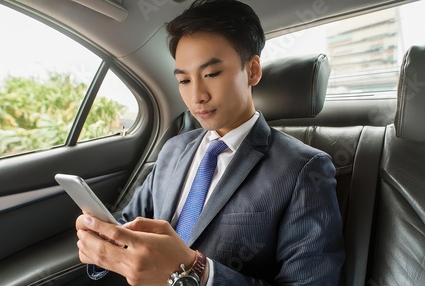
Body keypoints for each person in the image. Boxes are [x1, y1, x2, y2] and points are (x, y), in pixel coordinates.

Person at [75, 0, 345, 285]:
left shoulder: (303, 168)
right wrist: (103, 241)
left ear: (252, 70)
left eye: (211, 74)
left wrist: (198, 272)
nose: (197, 96)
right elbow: (130, 222)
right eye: (184, 81)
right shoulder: (173, 150)